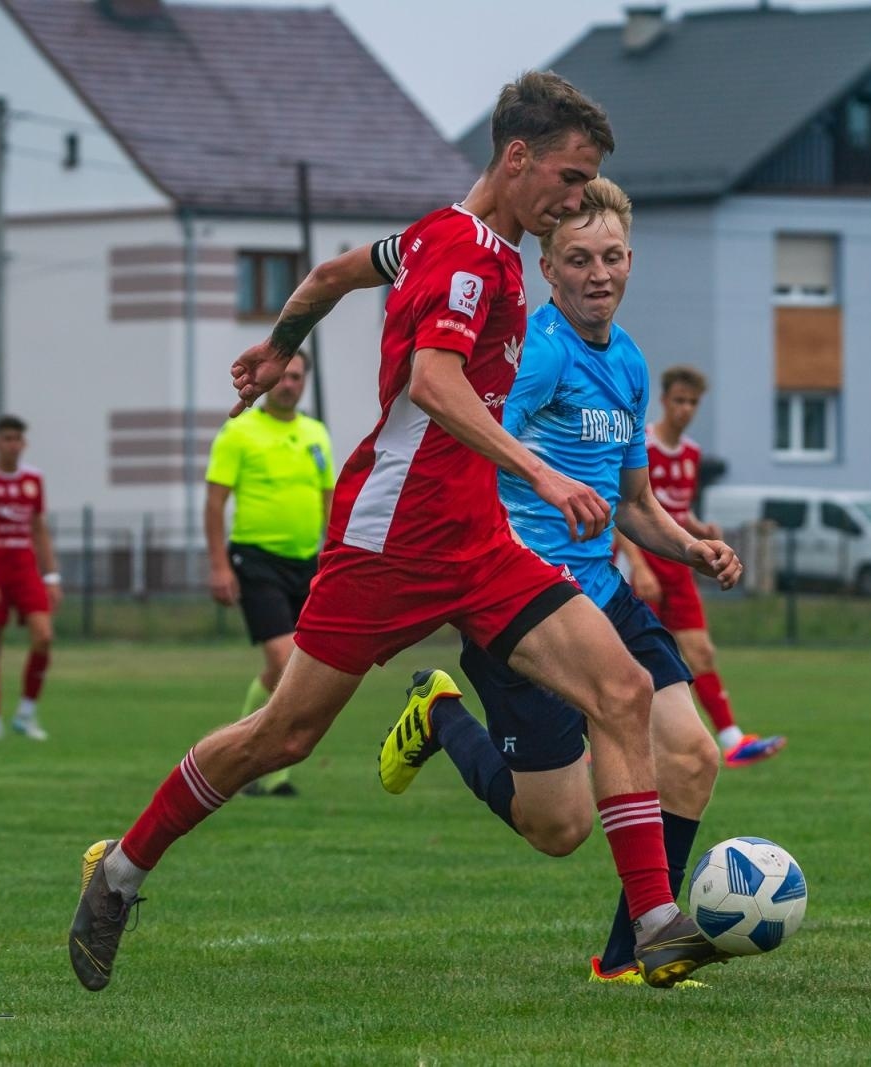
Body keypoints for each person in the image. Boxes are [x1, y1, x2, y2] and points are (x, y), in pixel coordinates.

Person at [70, 71, 724, 993]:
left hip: (480, 545)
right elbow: (434, 382)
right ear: (518, 157)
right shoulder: (461, 259)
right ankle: (122, 869)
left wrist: (281, 344)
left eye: (588, 186)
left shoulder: (436, 236)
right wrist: (538, 467)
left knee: (619, 688)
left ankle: (653, 923)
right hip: (391, 541)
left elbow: (335, 273)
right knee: (282, 735)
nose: (577, 200)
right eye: (571, 179)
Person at [378, 177, 738, 986]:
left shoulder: (633, 362)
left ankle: (632, 953)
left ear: (630, 261)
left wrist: (692, 548)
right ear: (548, 268)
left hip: (604, 593)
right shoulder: (537, 355)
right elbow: (473, 450)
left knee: (690, 755)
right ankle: (440, 716)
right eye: (578, 259)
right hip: (523, 605)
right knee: (559, 825)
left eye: (611, 256)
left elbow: (634, 502)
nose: (597, 273)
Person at [615, 366, 786, 767]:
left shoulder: (691, 454)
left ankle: (733, 741)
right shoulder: (643, 445)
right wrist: (638, 564)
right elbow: (623, 509)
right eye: (679, 400)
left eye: (692, 402)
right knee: (628, 663)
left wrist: (699, 528)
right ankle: (604, 742)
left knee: (701, 651)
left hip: (676, 566)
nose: (685, 409)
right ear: (664, 400)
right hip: (642, 564)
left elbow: (674, 510)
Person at [204, 351, 334, 798]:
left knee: (280, 670)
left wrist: (334, 559)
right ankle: (274, 774)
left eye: (297, 377)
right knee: (286, 663)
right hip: (256, 561)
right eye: (282, 376)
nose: (289, 384)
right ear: (269, 378)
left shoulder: (316, 434)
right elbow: (215, 501)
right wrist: (219, 565)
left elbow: (329, 502)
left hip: (306, 564)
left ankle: (238, 755)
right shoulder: (239, 431)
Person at [0, 414, 61, 741]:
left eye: (17, 439)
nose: (12, 445)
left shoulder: (33, 479)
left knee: (44, 636)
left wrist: (52, 575)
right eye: (6, 439)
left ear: (24, 443)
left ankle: (25, 714)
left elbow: (39, 528)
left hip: (26, 571)